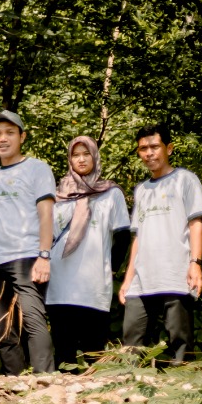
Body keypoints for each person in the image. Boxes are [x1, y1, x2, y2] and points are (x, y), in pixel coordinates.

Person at [120, 123, 202, 363]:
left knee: (180, 339)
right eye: (143, 148)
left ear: (169, 148)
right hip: (142, 278)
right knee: (131, 342)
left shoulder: (185, 179)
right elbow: (137, 236)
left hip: (175, 272)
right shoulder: (141, 190)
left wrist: (195, 263)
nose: (149, 153)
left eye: (154, 147)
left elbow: (195, 223)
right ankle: (127, 391)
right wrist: (128, 279)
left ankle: (184, 391)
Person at [0, 110, 56, 374]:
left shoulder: (37, 168)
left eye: (9, 133)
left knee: (33, 320)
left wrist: (44, 255)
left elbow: (46, 213)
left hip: (27, 256)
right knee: (3, 327)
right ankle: (15, 382)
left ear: (22, 137)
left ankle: (44, 380)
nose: (2, 139)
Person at [49, 136, 129, 368]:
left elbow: (122, 237)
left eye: (86, 154)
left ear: (94, 156)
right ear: (69, 159)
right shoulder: (57, 196)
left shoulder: (111, 194)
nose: (81, 159)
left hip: (93, 286)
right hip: (60, 286)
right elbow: (48, 237)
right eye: (76, 155)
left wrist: (111, 269)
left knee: (95, 357)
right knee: (64, 357)